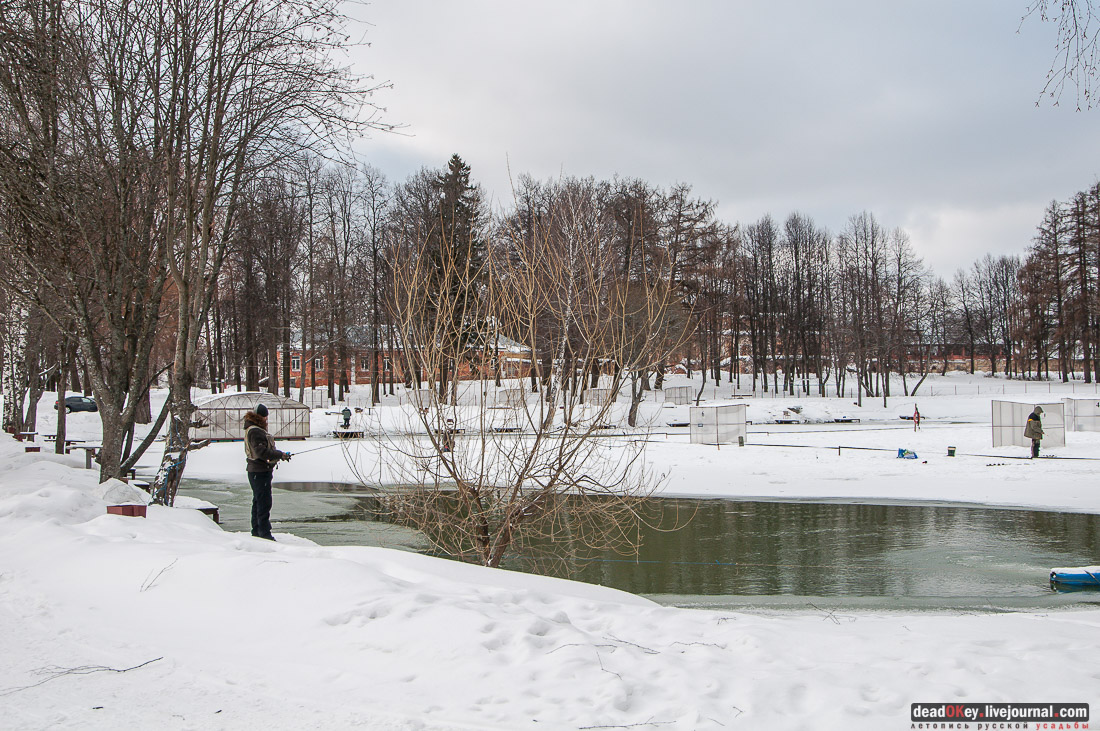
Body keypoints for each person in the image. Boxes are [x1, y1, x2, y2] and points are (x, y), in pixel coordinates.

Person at [243, 403, 291, 540]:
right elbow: (262, 453)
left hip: (256, 471)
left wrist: (279, 455)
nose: (266, 420)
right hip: (259, 471)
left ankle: (257, 531)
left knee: (258, 501)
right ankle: (264, 533)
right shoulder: (256, 431)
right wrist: (279, 454)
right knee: (264, 502)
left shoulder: (252, 429)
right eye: (265, 417)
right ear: (261, 417)